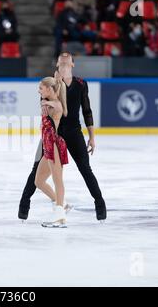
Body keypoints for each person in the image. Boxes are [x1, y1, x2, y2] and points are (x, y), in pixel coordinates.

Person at [18, 52, 107, 222]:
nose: (65, 65)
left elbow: (87, 111)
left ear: (72, 64)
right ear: (58, 65)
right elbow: (44, 104)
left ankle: (100, 206)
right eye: (61, 63)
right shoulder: (51, 84)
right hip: (53, 134)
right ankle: (24, 208)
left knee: (85, 169)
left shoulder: (81, 84)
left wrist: (92, 137)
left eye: (68, 63)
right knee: (36, 171)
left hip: (74, 133)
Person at [35, 77, 70, 228]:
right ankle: (62, 205)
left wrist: (47, 102)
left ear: (49, 89)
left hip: (55, 145)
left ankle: (60, 215)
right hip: (48, 147)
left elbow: (56, 106)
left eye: (41, 88)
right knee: (38, 181)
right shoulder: (48, 102)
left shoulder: (56, 105)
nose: (39, 91)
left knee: (57, 180)